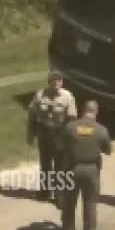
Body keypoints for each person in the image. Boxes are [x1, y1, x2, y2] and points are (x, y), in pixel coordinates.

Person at [59, 100, 113, 230]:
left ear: (83, 110)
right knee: (90, 203)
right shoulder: (101, 130)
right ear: (96, 112)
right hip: (91, 171)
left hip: (71, 168)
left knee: (69, 202)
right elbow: (108, 150)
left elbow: (61, 145)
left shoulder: (70, 127)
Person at [27, 71, 77, 202]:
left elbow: (71, 118)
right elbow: (32, 114)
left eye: (58, 82)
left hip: (60, 133)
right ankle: (45, 192)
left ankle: (59, 194)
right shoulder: (40, 95)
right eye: (53, 82)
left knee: (60, 164)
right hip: (44, 133)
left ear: (62, 82)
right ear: (49, 83)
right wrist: (30, 133)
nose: (56, 84)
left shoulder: (67, 96)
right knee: (45, 163)